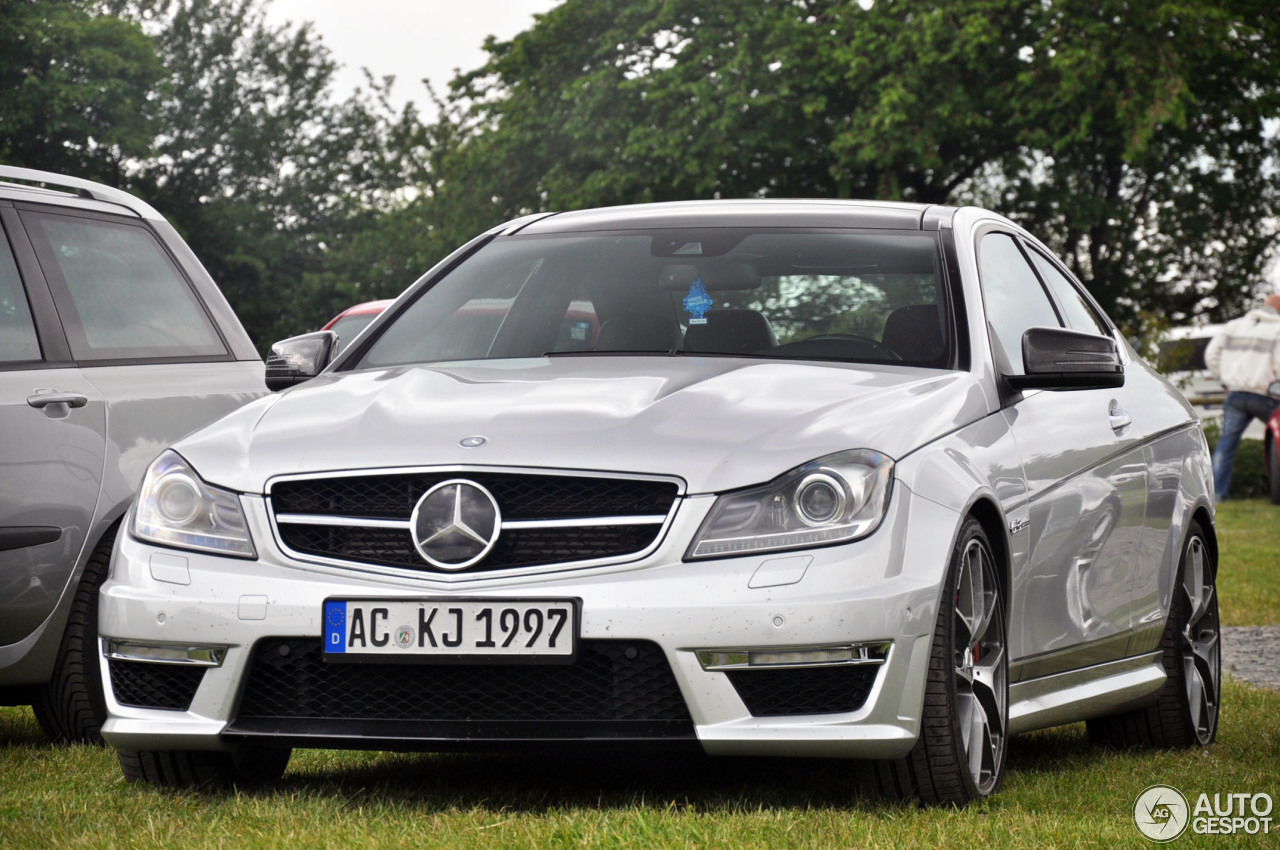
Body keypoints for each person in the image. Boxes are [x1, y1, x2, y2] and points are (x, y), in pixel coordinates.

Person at [1204, 292, 1280, 500]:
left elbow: (1211, 355)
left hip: (1236, 394)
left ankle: (1216, 495)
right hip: (1267, 396)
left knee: (1226, 445)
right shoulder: (1277, 329)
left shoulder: (1234, 326)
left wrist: (1224, 380)